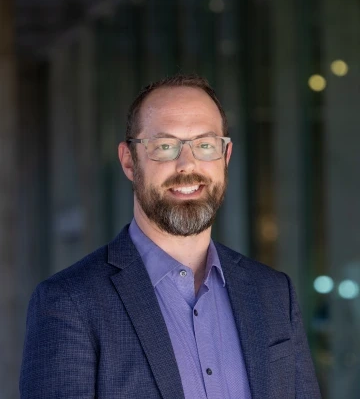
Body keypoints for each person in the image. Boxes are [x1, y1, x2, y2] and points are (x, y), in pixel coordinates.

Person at [20, 74, 321, 399]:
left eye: (205, 145)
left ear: (226, 157)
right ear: (129, 162)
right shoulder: (69, 303)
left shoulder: (274, 294)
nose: (187, 164)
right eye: (165, 146)